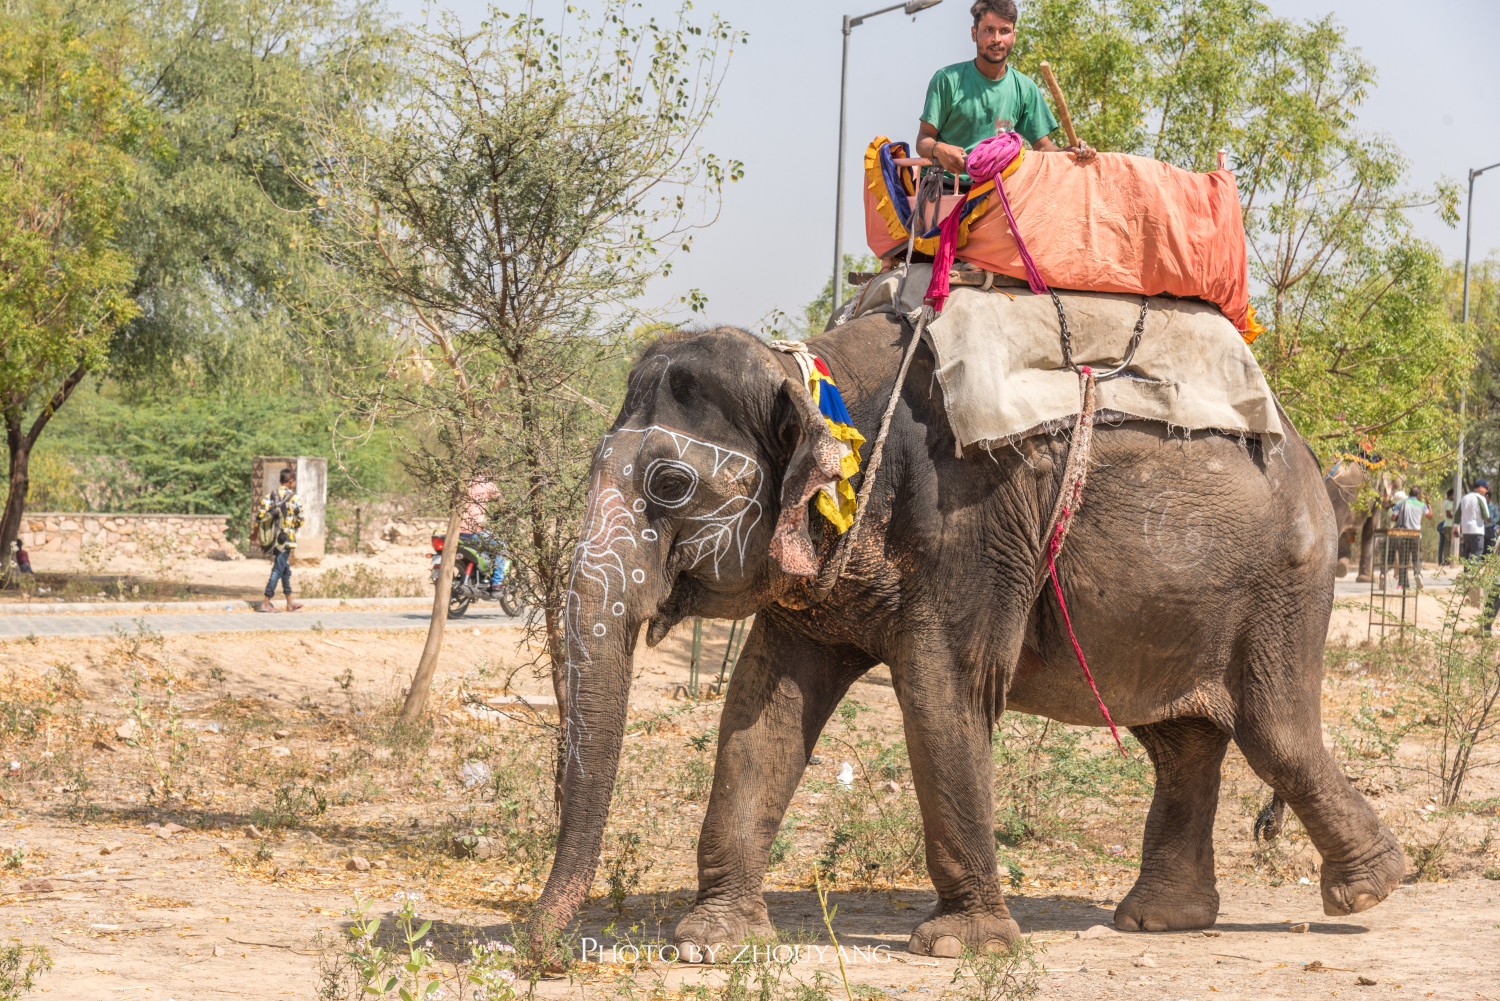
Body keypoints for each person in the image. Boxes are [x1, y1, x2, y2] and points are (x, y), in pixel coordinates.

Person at [916, 0, 1098, 189]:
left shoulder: (1024, 87)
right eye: (988, 30)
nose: (996, 39)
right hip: (945, 186)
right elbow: (923, 140)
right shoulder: (947, 80)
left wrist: (1068, 152)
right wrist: (939, 149)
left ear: (1014, 36)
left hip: (996, 189)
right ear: (973, 34)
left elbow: (1043, 147)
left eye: (1004, 31)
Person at [256, 468, 305, 612]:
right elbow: (301, 520)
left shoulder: (269, 496)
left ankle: (290, 603)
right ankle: (265, 603)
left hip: (272, 539)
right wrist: (292, 525)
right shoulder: (294, 498)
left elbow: (260, 516)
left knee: (285, 570)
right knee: (278, 570)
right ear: (290, 481)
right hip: (286, 539)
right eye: (293, 481)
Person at [460, 477, 506, 592]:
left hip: (458, 533)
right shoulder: (487, 484)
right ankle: (496, 583)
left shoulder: (461, 483)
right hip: (474, 532)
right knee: (502, 547)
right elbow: (500, 501)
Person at [1392, 486, 1430, 589]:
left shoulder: (1401, 503)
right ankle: (1417, 574)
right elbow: (1430, 516)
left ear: (1409, 494)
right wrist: (1428, 503)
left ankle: (1403, 583)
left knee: (1403, 559)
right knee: (1417, 557)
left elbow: (1393, 517)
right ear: (1418, 495)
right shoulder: (1422, 505)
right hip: (1416, 535)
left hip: (1403, 534)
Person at [1459, 479, 1490, 561]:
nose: (1487, 490)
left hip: (1466, 530)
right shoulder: (1481, 498)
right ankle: (1474, 572)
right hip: (1477, 529)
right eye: (1486, 488)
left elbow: (1458, 513)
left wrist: (1455, 527)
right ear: (1480, 488)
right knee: (1477, 551)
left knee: (1468, 551)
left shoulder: (1465, 498)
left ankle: (1466, 572)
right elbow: (1486, 515)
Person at [1437, 487, 1454, 565]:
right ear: (1451, 495)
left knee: (1447, 543)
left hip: (1447, 524)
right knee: (1448, 544)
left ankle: (1447, 560)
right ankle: (1447, 561)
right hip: (1449, 525)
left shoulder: (1446, 502)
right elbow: (1449, 515)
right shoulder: (1448, 503)